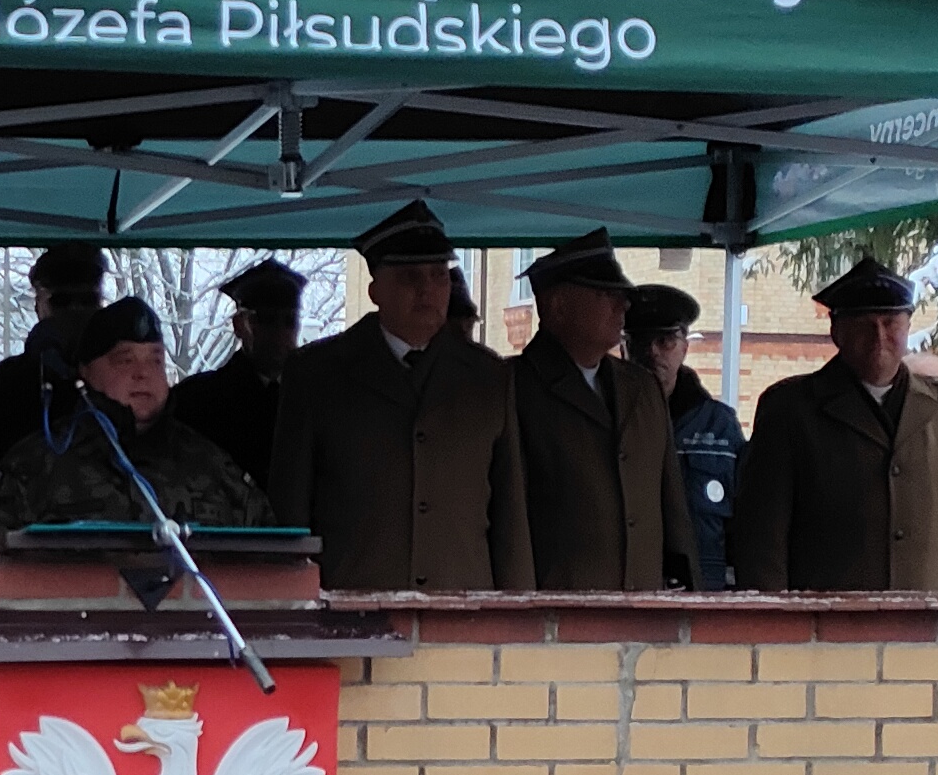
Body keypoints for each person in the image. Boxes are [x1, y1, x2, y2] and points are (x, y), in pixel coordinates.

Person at [265, 201, 531, 591]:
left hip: (461, 607)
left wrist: (518, 613)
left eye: (439, 276)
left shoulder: (488, 376)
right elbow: (289, 513)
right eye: (410, 277)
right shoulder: (317, 374)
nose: (427, 290)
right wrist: (289, 602)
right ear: (375, 290)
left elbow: (511, 518)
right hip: (354, 604)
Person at [719, 260, 938, 591]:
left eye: (891, 324)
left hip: (930, 618)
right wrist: (772, 616)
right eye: (864, 325)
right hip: (829, 618)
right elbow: (762, 538)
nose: (879, 338)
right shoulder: (790, 410)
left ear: (908, 326)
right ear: (837, 331)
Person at [0, 296, 273, 574]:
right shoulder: (35, 466)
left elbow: (275, 562)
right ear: (85, 372)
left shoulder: (210, 464)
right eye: (125, 360)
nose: (143, 373)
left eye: (155, 360)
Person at [507, 233, 697, 590]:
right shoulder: (513, 387)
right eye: (605, 294)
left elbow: (671, 507)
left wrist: (685, 591)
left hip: (643, 604)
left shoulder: (641, 387)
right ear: (557, 305)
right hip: (560, 607)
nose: (623, 305)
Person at [0, 241, 114, 474]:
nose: (76, 311)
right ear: (38, 305)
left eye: (88, 300)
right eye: (61, 302)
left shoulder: (124, 387)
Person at [625, 282, 744, 591]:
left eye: (665, 341)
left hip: (705, 593)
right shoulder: (607, 421)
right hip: (632, 591)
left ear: (684, 347)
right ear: (624, 348)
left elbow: (745, 523)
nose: (652, 352)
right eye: (641, 342)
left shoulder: (720, 426)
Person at [163, 259, 310, 488]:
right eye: (266, 320)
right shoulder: (198, 402)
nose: (281, 333)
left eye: (290, 321)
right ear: (239, 324)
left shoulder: (314, 399)